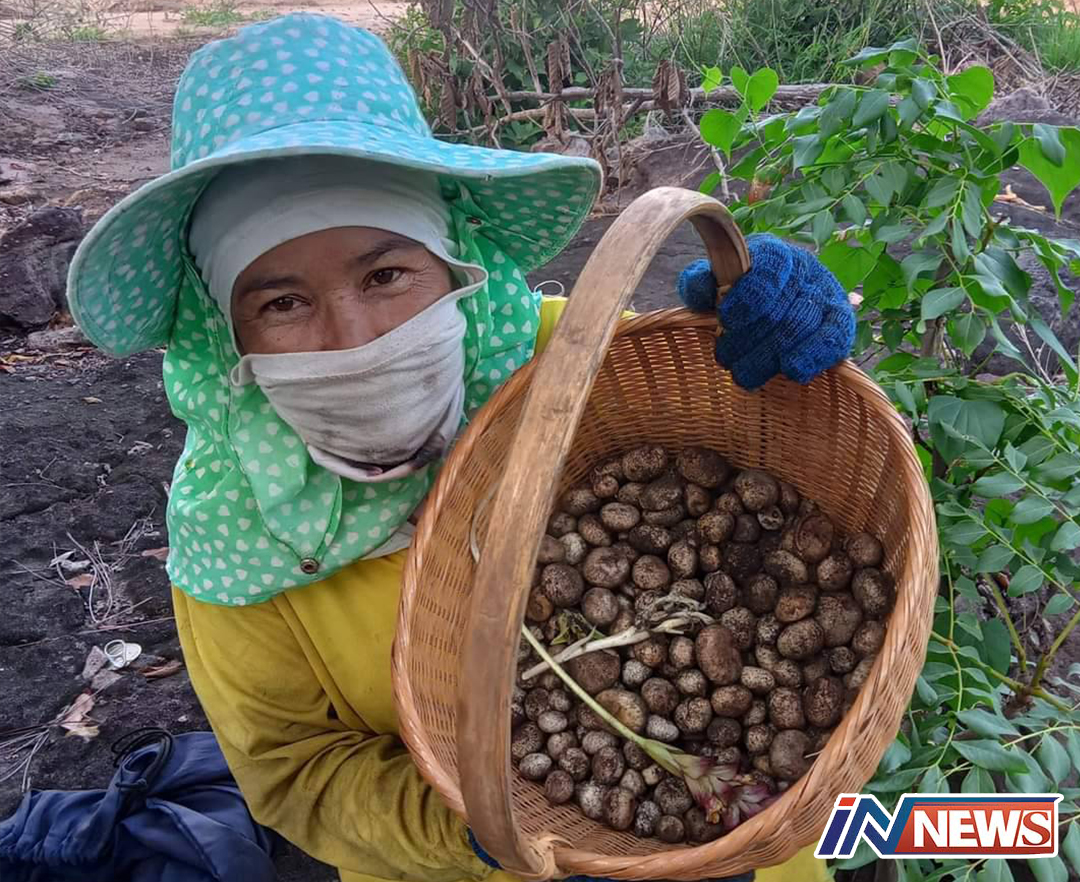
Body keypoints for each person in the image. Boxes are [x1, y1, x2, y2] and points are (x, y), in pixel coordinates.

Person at [66, 12, 854, 882]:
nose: (354, 337)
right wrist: (475, 828)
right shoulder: (233, 528)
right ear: (228, 330)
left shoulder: (570, 362)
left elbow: (748, 439)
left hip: (755, 843)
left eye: (386, 274)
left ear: (452, 264)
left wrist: (764, 341)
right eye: (282, 303)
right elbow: (295, 774)